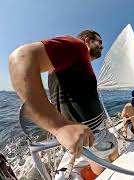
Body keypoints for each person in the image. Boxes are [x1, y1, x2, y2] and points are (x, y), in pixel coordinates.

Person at [8, 30, 118, 177]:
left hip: (84, 136)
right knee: (113, 153)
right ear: (86, 40)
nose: (102, 46)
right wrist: (60, 127)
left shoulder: (75, 60)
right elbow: (20, 58)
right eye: (99, 41)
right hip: (92, 137)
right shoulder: (77, 47)